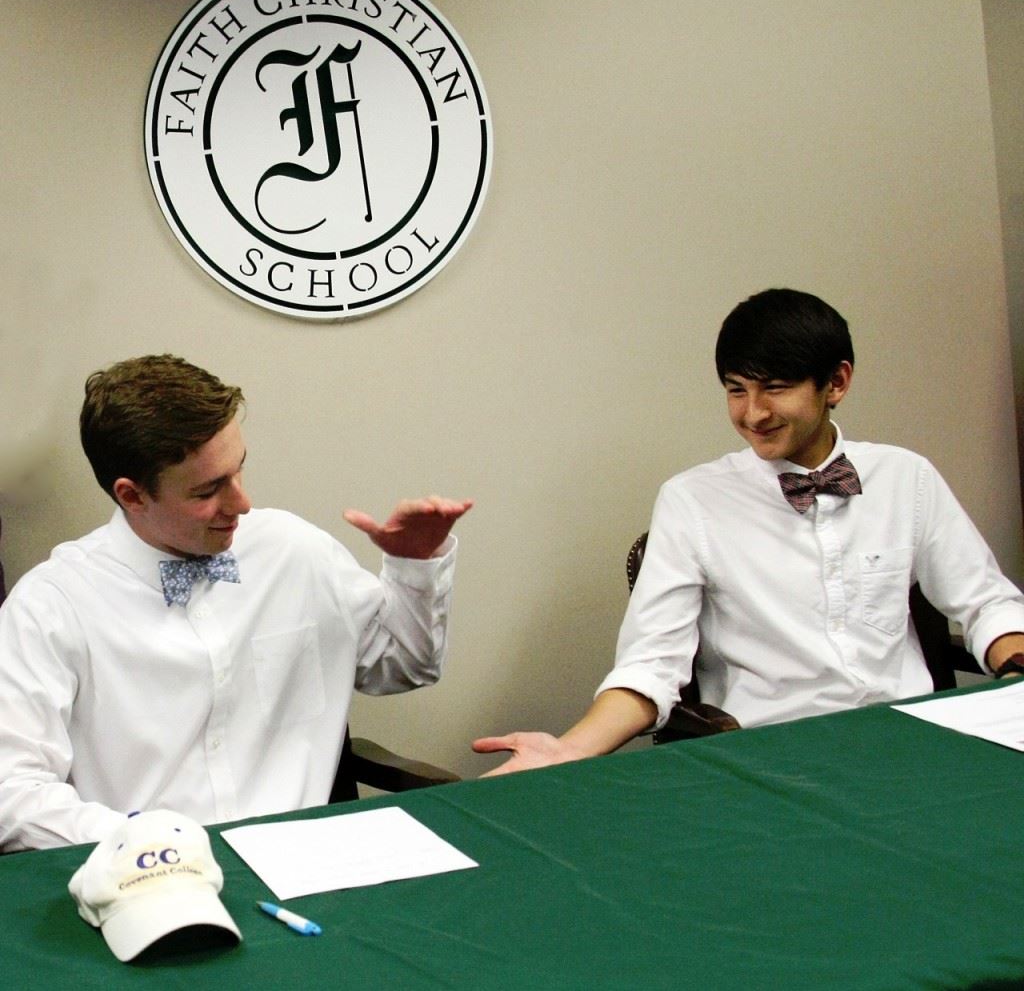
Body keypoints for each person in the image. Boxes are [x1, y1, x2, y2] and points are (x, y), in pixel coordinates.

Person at [474, 288, 1024, 774]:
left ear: (836, 382)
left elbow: (987, 604)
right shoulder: (693, 501)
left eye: (775, 388)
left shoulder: (906, 477)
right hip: (772, 763)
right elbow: (650, 666)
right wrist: (569, 751)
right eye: (736, 390)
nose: (753, 413)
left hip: (913, 750)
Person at [0, 354, 472, 851]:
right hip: (153, 876)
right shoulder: (50, 608)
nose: (242, 503)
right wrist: (146, 841)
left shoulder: (292, 551)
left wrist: (415, 566)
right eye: (209, 490)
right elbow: (11, 794)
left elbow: (404, 666)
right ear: (132, 496)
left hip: (312, 862)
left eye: (238, 470)